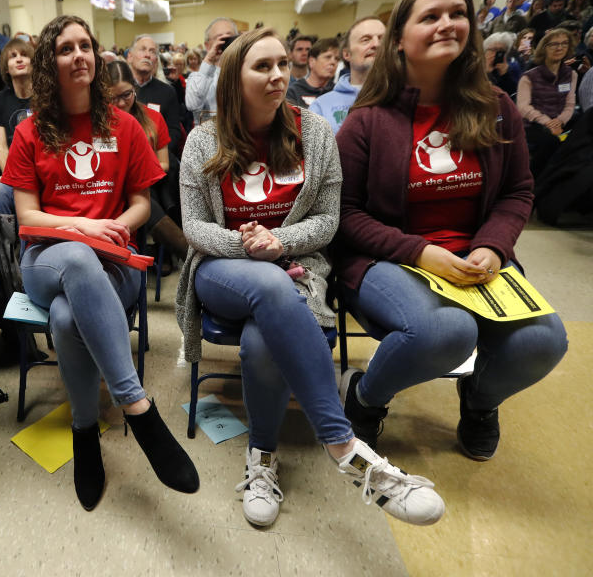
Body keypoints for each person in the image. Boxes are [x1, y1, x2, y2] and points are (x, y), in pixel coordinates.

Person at [176, 26, 445, 528]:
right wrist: (246, 245)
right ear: (234, 80)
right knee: (271, 287)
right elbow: (194, 227)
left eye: (282, 63)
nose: (279, 74)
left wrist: (281, 242)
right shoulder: (201, 140)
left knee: (261, 340)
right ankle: (344, 445)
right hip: (221, 271)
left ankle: (261, 459)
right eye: (263, 66)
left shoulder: (314, 131)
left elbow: (329, 218)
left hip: (294, 267)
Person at [335, 0, 568, 462]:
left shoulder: (497, 107)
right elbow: (346, 215)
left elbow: (517, 192)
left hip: (478, 257)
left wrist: (494, 246)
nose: (447, 24)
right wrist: (420, 251)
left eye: (457, 14)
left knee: (544, 340)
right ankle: (365, 398)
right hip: (390, 259)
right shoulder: (367, 120)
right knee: (448, 330)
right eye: (431, 16)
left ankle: (480, 402)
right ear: (399, 39)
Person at [0, 15, 199, 511]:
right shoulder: (29, 132)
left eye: (84, 46)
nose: (79, 55)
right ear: (50, 62)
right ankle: (138, 407)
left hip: (114, 260)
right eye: (65, 49)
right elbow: (26, 216)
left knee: (68, 317)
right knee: (76, 261)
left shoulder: (125, 126)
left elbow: (141, 204)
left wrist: (114, 227)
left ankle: (84, 434)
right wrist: (84, 228)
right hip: (48, 258)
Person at [106, 59, 187, 261]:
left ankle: (185, 254)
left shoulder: (152, 117)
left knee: (147, 195)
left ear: (134, 89)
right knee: (145, 200)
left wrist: (136, 172)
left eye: (127, 95)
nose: (121, 103)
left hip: (152, 182)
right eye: (113, 98)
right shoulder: (100, 122)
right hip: (114, 190)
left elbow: (165, 163)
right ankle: (187, 253)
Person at [517, 28, 578, 176]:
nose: (559, 48)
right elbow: (523, 107)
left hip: (560, 121)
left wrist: (560, 121)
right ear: (544, 48)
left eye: (564, 44)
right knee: (551, 142)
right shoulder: (529, 77)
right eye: (554, 44)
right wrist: (547, 122)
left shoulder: (571, 74)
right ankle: (533, 180)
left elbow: (570, 104)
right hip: (533, 125)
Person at [310, 17, 385, 133]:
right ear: (346, 54)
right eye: (366, 40)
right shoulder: (321, 107)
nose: (376, 44)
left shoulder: (405, 97)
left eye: (382, 39)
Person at [128, 34, 183, 155]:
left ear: (156, 61)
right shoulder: (119, 91)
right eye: (142, 49)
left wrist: (158, 153)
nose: (147, 55)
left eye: (152, 52)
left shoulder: (167, 92)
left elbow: (174, 131)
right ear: (130, 57)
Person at [0, 37, 34, 178]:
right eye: (13, 56)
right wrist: (10, 177)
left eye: (24, 55)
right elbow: (2, 147)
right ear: (6, 68)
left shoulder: (47, 95)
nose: (19, 59)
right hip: (17, 170)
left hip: (46, 166)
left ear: (32, 63)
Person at [185, 18, 237, 121]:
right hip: (210, 134)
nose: (225, 42)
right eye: (220, 38)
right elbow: (193, 105)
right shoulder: (196, 78)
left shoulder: (247, 72)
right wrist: (209, 59)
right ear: (207, 46)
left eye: (229, 37)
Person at [286, 38, 338, 108]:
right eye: (327, 57)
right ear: (312, 61)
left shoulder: (338, 91)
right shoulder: (293, 92)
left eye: (337, 59)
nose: (333, 62)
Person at [482, 32, 521, 97]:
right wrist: (486, 72)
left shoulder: (513, 66)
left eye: (501, 51)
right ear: (485, 51)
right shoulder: (477, 65)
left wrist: (504, 74)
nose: (497, 53)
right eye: (494, 49)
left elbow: (513, 94)